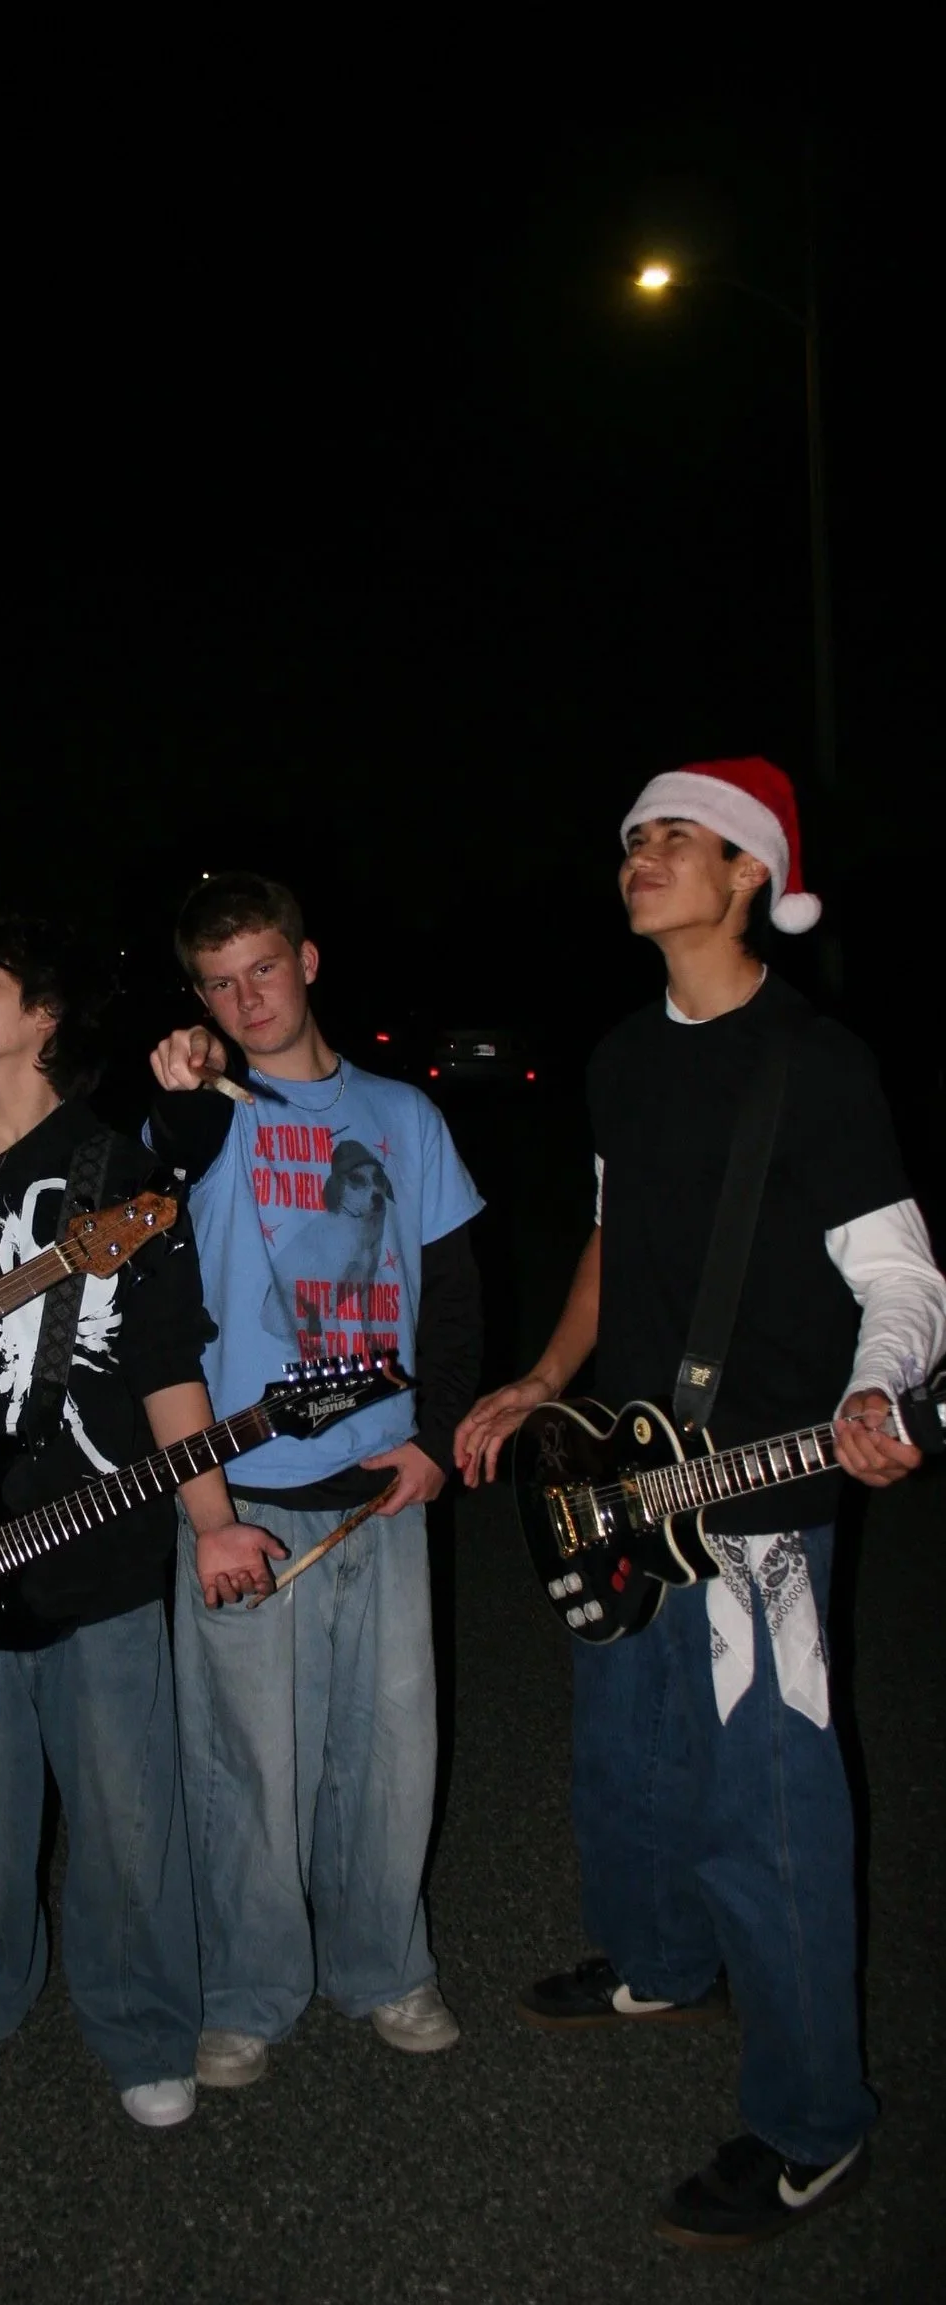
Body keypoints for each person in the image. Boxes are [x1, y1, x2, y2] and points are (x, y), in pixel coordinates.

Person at [455, 758, 946, 2251]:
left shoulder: (816, 1064)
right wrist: (542, 1379)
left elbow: (899, 1272)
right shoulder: (620, 1057)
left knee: (768, 1811)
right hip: (623, 1473)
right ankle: (660, 1964)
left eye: (678, 836)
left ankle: (812, 2125)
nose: (642, 853)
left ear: (749, 875)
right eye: (634, 836)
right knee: (627, 1750)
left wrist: (878, 1392)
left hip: (759, 1493)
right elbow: (616, 1242)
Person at [0, 914, 256, 2131]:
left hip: (99, 1542)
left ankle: (142, 2022)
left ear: (47, 1017)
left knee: (129, 1812)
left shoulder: (115, 1170)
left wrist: (214, 1522)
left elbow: (167, 1359)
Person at [147, 871, 484, 2087]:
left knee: (390, 1751)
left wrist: (434, 1439)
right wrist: (177, 1090)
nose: (248, 1000)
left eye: (263, 969)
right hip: (243, 1491)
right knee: (245, 1764)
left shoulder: (403, 1116)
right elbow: (152, 1185)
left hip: (381, 1486)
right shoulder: (202, 1118)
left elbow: (454, 1292)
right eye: (219, 985)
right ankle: (247, 1992)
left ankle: (385, 1966)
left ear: (307, 961)